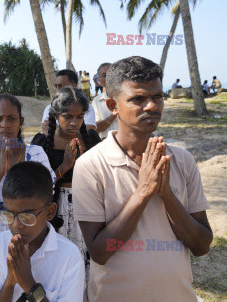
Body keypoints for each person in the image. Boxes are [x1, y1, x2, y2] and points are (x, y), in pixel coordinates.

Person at [72, 56, 213, 301]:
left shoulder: (182, 161)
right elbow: (100, 252)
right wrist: (144, 191)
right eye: (138, 99)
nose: (151, 106)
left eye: (157, 96)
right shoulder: (90, 165)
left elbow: (201, 246)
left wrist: (167, 194)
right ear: (113, 105)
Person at [0, 93, 56, 301]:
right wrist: (0, 172)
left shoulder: (35, 154)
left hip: (30, 246)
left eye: (11, 118)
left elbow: (45, 198)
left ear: (21, 122)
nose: (5, 124)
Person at [31, 87, 100, 297]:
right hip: (54, 211)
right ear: (55, 116)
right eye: (67, 116)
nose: (74, 123)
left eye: (79, 117)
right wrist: (66, 166)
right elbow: (37, 184)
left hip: (85, 208)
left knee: (86, 262)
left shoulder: (90, 140)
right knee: (57, 262)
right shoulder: (42, 143)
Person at [0, 161, 85, 302]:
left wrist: (30, 285)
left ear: (50, 212)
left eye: (27, 217)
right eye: (8, 215)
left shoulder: (69, 256)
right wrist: (10, 282)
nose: (16, 225)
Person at [41, 69, 97, 135]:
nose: (57, 89)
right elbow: (46, 129)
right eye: (56, 86)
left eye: (61, 86)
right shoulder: (49, 108)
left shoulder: (86, 107)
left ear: (74, 86)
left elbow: (89, 129)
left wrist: (58, 129)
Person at [92, 62, 118, 140]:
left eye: (111, 73)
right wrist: (115, 113)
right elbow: (95, 128)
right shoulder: (96, 101)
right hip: (106, 142)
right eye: (104, 75)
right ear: (99, 80)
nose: (109, 77)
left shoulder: (128, 96)